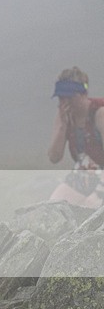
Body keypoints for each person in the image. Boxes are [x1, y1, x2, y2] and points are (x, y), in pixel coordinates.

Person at [47, 66, 104, 208]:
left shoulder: (99, 114)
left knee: (92, 205)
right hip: (84, 172)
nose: (64, 102)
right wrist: (62, 126)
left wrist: (98, 192)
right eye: (61, 98)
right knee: (54, 206)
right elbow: (54, 157)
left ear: (82, 94)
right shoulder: (64, 115)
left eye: (69, 97)